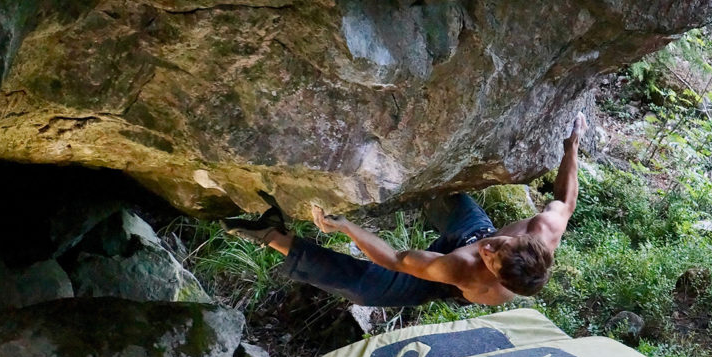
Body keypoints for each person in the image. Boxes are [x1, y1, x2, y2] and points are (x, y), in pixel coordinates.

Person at [223, 114, 586, 306]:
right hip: (469, 232)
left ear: (494, 272)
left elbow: (396, 259)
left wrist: (348, 227)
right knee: (440, 193)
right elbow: (566, 200)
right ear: (526, 239)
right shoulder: (543, 228)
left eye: (493, 256)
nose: (490, 248)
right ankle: (418, 182)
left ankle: (271, 235)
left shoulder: (462, 270)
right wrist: (571, 147)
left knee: (366, 289)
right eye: (501, 243)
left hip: (449, 280)